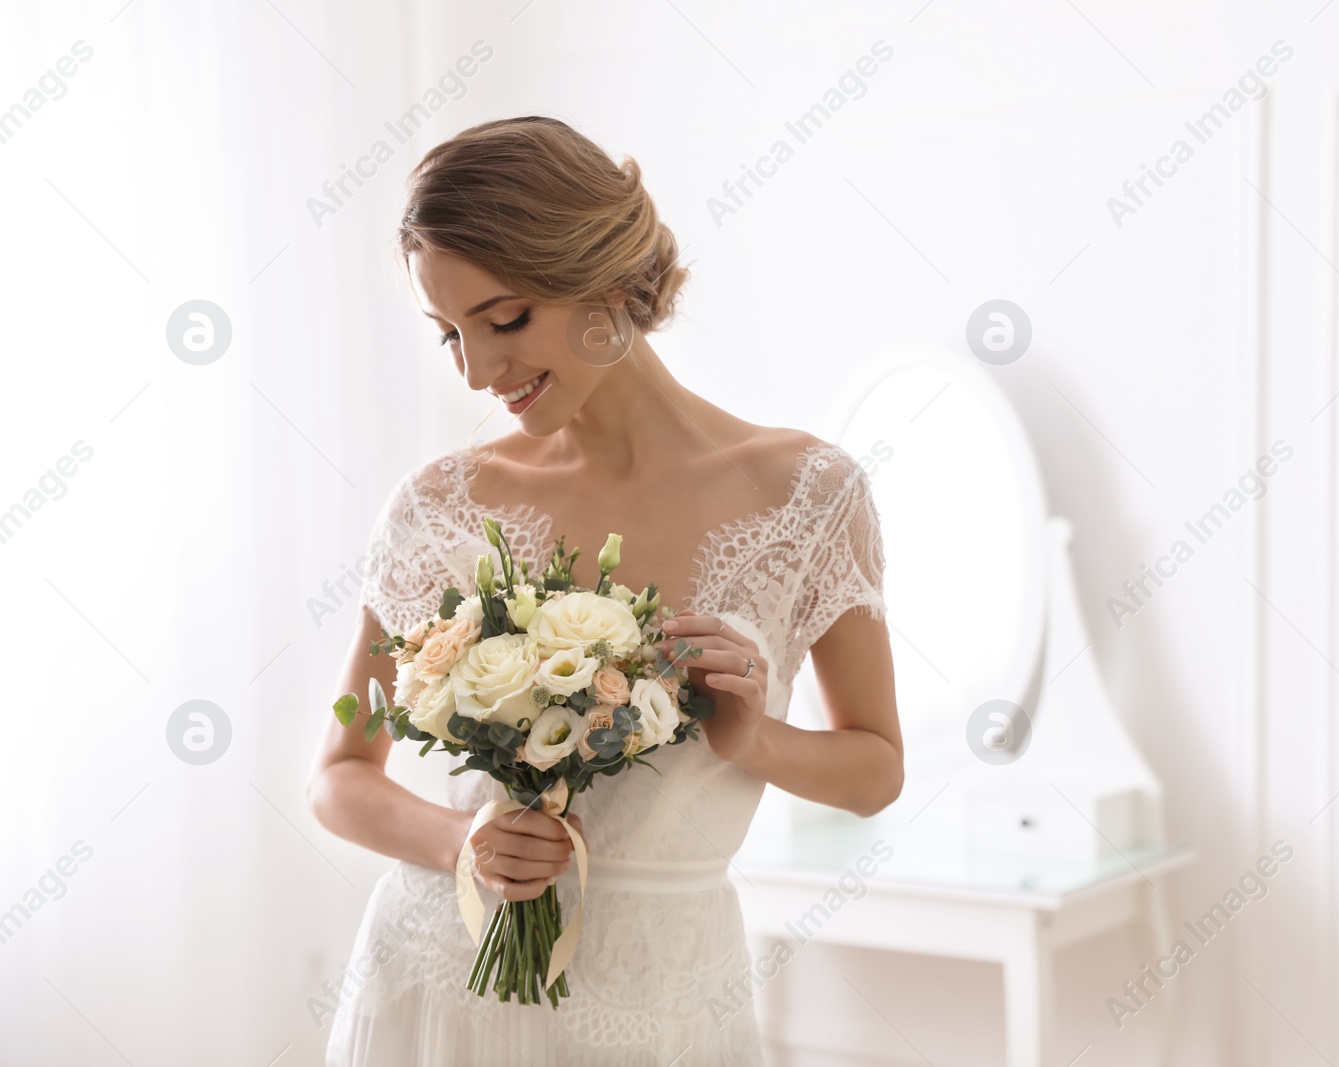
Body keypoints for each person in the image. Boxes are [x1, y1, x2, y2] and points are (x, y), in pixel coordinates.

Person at [306, 116, 903, 1066]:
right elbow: (340, 777)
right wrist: (463, 839)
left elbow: (876, 768)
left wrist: (758, 739)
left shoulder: (811, 494)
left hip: (665, 998)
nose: (477, 369)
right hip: (438, 984)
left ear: (610, 279)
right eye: (450, 333)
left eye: (504, 320)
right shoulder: (441, 505)